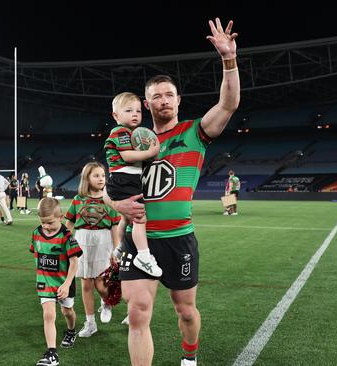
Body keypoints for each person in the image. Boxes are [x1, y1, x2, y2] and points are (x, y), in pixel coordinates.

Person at [106, 18, 240, 366]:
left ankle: (190, 356)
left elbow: (228, 105)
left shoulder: (194, 132)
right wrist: (115, 202)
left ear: (178, 99)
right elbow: (104, 189)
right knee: (137, 313)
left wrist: (229, 60)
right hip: (138, 241)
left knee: (186, 310)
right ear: (146, 105)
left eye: (168, 94)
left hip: (179, 239)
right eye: (155, 97)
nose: (162, 100)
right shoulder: (128, 140)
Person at [104, 91, 162, 278]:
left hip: (127, 180)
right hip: (123, 179)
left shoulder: (131, 133)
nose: (135, 114)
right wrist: (151, 152)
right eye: (128, 110)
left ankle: (120, 248)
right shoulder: (120, 131)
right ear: (116, 115)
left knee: (126, 219)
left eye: (138, 110)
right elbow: (127, 156)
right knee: (139, 218)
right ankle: (143, 256)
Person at [64, 162, 121, 337]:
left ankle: (106, 302)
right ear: (87, 178)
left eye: (103, 175)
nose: (101, 179)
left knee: (101, 283)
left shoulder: (110, 199)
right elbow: (70, 223)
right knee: (86, 284)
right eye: (96, 175)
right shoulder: (77, 199)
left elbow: (114, 227)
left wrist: (116, 250)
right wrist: (63, 241)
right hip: (81, 241)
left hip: (103, 241)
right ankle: (90, 323)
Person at [30, 197, 82, 365]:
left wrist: (66, 284)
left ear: (60, 218)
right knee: (48, 314)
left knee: (67, 311)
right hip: (45, 282)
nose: (46, 226)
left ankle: (71, 330)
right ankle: (52, 353)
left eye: (50, 222)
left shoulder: (67, 237)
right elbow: (37, 254)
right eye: (43, 222)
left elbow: (74, 262)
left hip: (64, 282)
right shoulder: (36, 233)